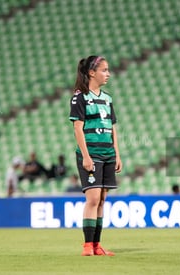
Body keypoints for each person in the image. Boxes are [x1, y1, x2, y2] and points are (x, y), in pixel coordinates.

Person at [69, 55, 122, 256]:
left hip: (108, 153)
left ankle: (97, 245)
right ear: (92, 72)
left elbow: (112, 128)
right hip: (91, 153)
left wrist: (117, 154)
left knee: (101, 200)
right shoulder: (79, 96)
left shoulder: (107, 98)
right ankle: (87, 245)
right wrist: (86, 156)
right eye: (104, 70)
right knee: (92, 199)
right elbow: (77, 128)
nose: (108, 74)